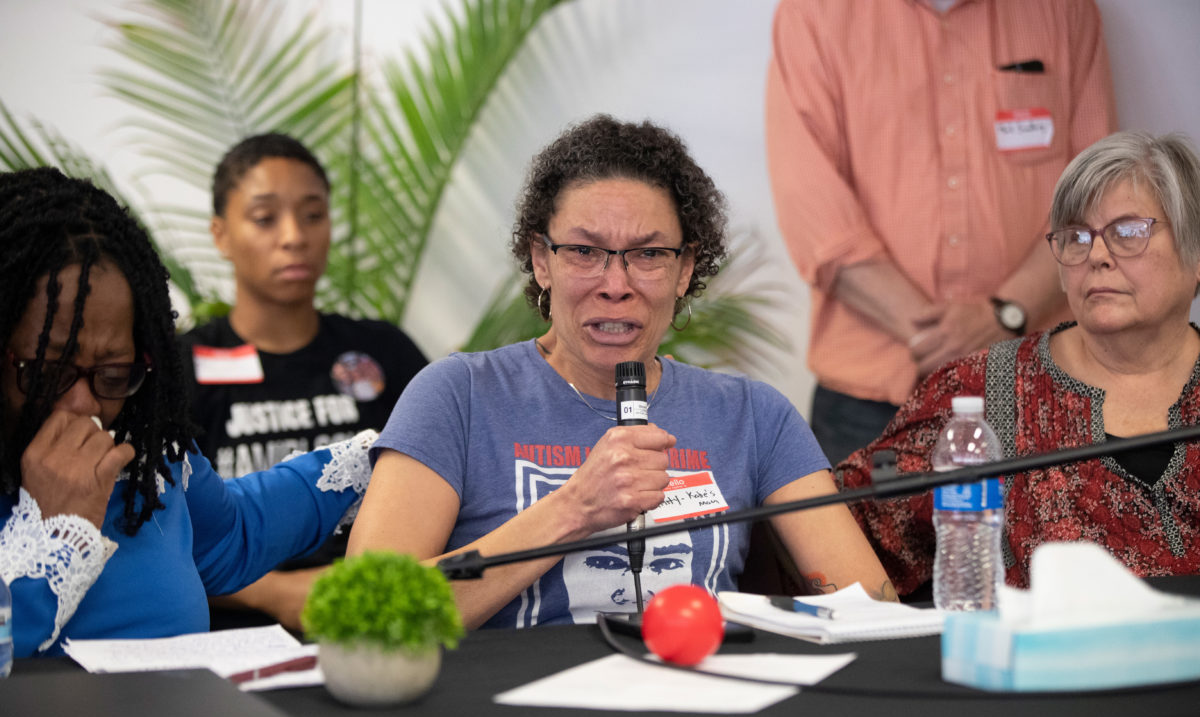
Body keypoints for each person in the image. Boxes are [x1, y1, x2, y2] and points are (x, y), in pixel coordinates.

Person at [349, 115, 894, 629]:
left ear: (684, 270)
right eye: (585, 251)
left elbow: (871, 608)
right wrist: (574, 510)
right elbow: (367, 613)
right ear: (543, 261)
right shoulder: (459, 396)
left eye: (649, 254)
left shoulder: (751, 414)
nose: (615, 283)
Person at [0, 167, 374, 657]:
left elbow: (236, 530)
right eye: (48, 374)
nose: (84, 405)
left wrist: (381, 455)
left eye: (113, 374)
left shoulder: (146, 457)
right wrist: (56, 532)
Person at [839, 131, 1200, 597]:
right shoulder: (977, 391)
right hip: (1042, 666)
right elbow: (849, 519)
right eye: (1076, 238)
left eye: (1127, 233)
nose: (1097, 256)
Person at [766, 0, 1116, 465]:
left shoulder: (1064, 10)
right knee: (852, 542)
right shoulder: (814, 14)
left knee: (1049, 542)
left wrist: (1004, 314)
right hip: (868, 402)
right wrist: (938, 337)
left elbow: (1094, 197)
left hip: (1036, 384)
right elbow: (812, 207)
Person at [179, 133, 427, 630]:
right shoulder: (179, 367)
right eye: (265, 218)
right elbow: (154, 527)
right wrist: (273, 593)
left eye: (313, 214)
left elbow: (446, 482)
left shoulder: (386, 352)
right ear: (221, 234)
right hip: (233, 640)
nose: (294, 236)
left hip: (377, 620)